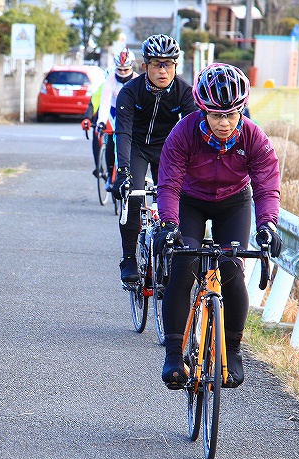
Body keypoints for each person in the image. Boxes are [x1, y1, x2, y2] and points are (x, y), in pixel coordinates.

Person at [152, 63, 283, 390]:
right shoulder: (183, 133)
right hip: (190, 200)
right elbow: (168, 184)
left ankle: (233, 351)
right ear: (203, 110)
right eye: (215, 115)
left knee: (231, 268)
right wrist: (168, 223)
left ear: (242, 110)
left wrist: (268, 225)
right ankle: (173, 354)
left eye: (232, 115)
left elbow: (267, 186)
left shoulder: (254, 137)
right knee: (184, 263)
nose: (224, 123)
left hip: (233, 203)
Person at [111, 34, 198, 282]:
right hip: (137, 146)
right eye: (157, 64)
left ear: (175, 66)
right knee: (134, 197)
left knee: (172, 200)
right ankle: (128, 259)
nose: (163, 70)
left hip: (167, 149)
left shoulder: (184, 92)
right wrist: (123, 172)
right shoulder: (130, 91)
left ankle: (168, 255)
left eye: (168, 64)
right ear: (144, 66)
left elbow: (193, 132)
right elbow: (123, 132)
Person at [82, 48, 138, 180]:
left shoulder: (137, 79)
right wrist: (100, 121)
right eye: (119, 69)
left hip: (130, 111)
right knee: (110, 137)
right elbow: (104, 102)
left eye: (126, 70)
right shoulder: (110, 80)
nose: (122, 73)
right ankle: (106, 171)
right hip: (113, 110)